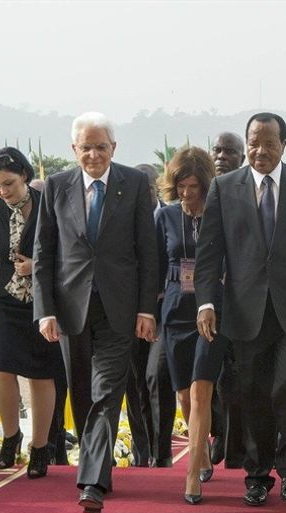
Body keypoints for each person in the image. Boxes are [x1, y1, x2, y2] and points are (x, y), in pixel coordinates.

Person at [195, 112, 286, 506]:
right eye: (253, 143)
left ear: (283, 146)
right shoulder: (225, 188)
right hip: (246, 311)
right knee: (253, 391)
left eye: (268, 143)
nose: (260, 151)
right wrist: (206, 302)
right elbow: (209, 253)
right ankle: (258, 474)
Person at [33, 112, 158, 513]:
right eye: (85, 147)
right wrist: (45, 311)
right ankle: (99, 468)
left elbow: (148, 252)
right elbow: (43, 254)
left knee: (107, 394)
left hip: (119, 310)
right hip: (71, 310)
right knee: (84, 395)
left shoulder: (135, 185)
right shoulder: (56, 187)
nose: (93, 154)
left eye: (100, 146)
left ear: (113, 149)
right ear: (74, 150)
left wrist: (146, 309)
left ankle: (91, 483)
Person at [0, 147, 60, 479]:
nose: (3, 191)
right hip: (5, 301)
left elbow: (67, 253)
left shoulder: (49, 207)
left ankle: (40, 447)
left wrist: (37, 268)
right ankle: (11, 438)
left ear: (25, 176)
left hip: (43, 303)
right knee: (1, 369)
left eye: (9, 183)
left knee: (40, 374)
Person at [155, 146, 230, 504]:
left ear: (206, 185)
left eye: (194, 186)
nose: (187, 192)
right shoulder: (165, 217)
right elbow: (153, 268)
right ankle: (200, 451)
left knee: (202, 390)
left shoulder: (220, 215)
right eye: (181, 186)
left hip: (212, 310)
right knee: (183, 393)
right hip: (175, 312)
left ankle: (191, 477)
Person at [125, 162, 176, 468]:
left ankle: (162, 451)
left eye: (146, 188)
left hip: (163, 312)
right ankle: (140, 451)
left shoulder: (170, 217)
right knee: (134, 384)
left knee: (156, 377)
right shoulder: (123, 220)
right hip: (129, 314)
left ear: (156, 187)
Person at [206, 132, 247, 469]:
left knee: (235, 377)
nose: (221, 156)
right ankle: (217, 434)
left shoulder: (246, 194)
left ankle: (234, 441)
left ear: (242, 157)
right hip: (206, 301)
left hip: (242, 301)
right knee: (211, 376)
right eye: (217, 150)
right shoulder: (201, 190)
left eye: (230, 151)